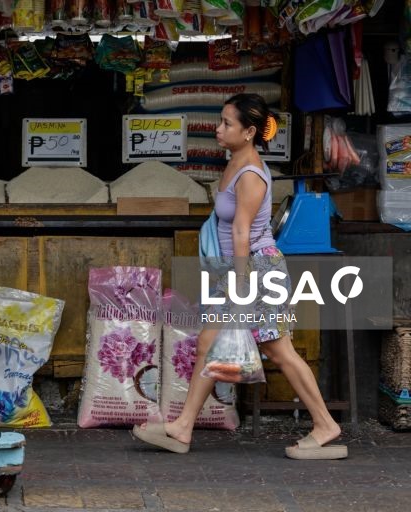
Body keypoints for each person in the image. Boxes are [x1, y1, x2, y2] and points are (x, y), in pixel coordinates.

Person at [132, 93, 347, 460]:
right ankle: (182, 427)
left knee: (280, 352)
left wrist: (239, 286)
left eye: (227, 124)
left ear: (249, 132)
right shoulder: (235, 162)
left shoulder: (250, 175)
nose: (218, 129)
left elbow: (242, 233)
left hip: (256, 272)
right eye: (220, 121)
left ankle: (325, 424)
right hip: (237, 270)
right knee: (208, 345)